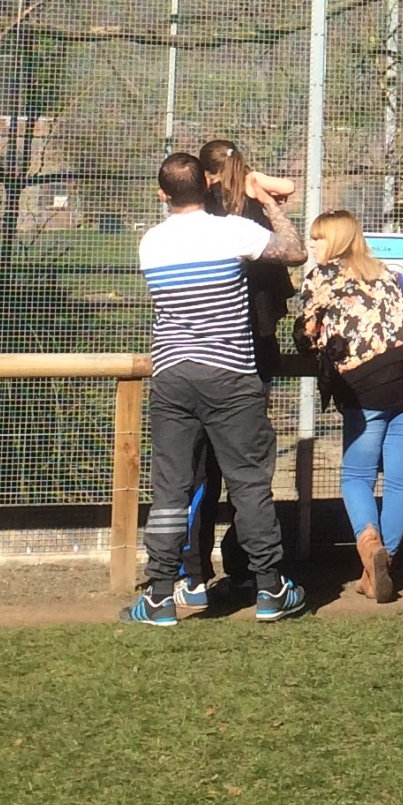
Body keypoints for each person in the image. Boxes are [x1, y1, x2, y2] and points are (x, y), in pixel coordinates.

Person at [125, 149, 309, 627]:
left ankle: (162, 593)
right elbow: (294, 251)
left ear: (163, 194)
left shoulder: (151, 243)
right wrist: (270, 205)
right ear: (207, 187)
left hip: (172, 376)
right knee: (249, 483)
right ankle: (270, 587)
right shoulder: (233, 231)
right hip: (231, 374)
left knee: (171, 488)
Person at [299, 211, 403, 604]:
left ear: (336, 242)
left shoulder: (322, 277)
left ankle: (369, 543)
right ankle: (379, 566)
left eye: (318, 239)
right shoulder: (385, 272)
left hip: (368, 383)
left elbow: (306, 333)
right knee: (400, 479)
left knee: (356, 476)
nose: (312, 246)